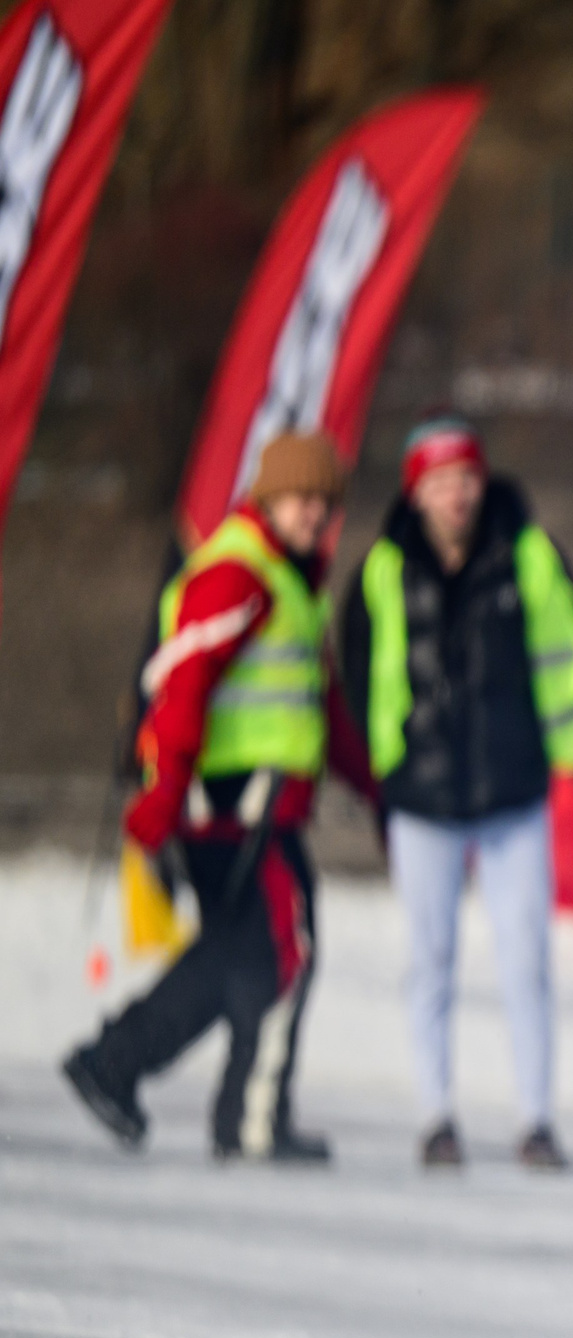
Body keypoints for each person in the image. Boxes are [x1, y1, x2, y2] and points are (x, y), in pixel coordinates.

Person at [61, 433, 378, 1162]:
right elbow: (180, 691)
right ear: (268, 497)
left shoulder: (293, 581)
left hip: (268, 810)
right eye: (303, 500)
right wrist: (161, 799)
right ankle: (249, 1117)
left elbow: (319, 701)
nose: (315, 516)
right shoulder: (237, 576)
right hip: (230, 809)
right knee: (283, 951)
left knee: (243, 958)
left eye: (326, 505)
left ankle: (117, 1065)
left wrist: (368, 783)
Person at [336, 417, 573, 1172]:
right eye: (439, 480)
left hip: (512, 793)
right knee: (430, 958)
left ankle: (536, 1118)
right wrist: (384, 765)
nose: (455, 494)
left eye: (465, 478)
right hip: (423, 798)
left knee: (526, 959)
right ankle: (435, 1116)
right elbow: (358, 673)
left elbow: (571, 652)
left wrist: (567, 749)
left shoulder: (526, 554)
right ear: (415, 491)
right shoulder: (384, 570)